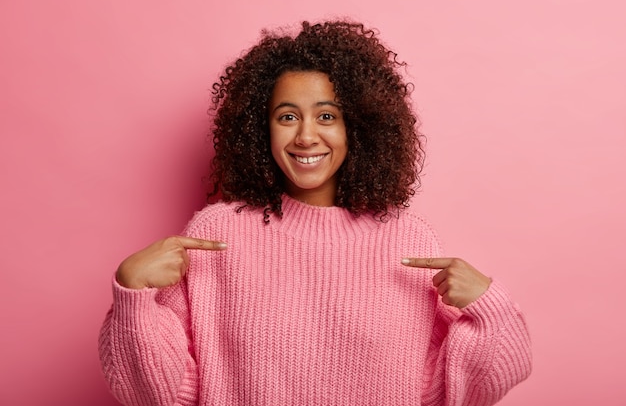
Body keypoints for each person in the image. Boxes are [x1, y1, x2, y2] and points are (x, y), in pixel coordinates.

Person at [99, 20, 532, 406]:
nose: (306, 136)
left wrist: (489, 306)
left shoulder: (407, 240)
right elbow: (160, 392)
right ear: (260, 128)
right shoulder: (216, 234)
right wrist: (132, 293)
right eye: (287, 116)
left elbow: (448, 390)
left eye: (327, 116)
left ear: (357, 127)